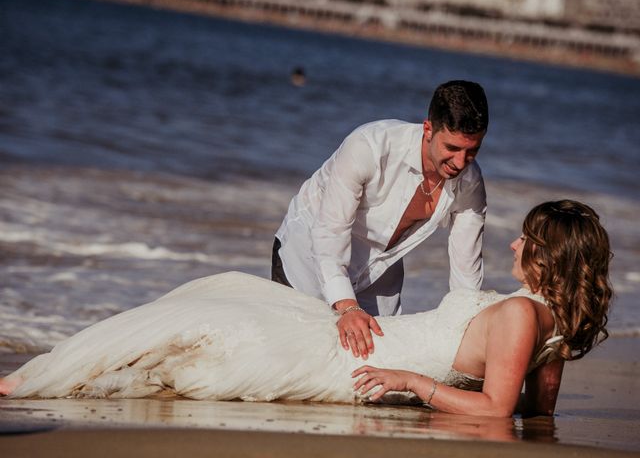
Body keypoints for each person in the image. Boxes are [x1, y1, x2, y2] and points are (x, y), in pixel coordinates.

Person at [0, 200, 612, 417]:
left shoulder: (518, 317)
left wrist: (411, 383)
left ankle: (31, 379)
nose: (513, 243)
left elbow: (497, 411)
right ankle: (49, 374)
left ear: (549, 256)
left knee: (200, 329)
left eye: (527, 239)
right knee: (222, 294)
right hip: (364, 342)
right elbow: (539, 407)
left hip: (354, 360)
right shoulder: (549, 323)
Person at [272, 80, 488, 360]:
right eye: (452, 148)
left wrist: (468, 331)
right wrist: (347, 307)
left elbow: (466, 274)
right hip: (309, 256)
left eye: (472, 151)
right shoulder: (370, 146)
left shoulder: (470, 184)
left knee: (378, 368)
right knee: (294, 357)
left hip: (380, 273)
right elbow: (329, 232)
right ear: (428, 129)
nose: (460, 163)